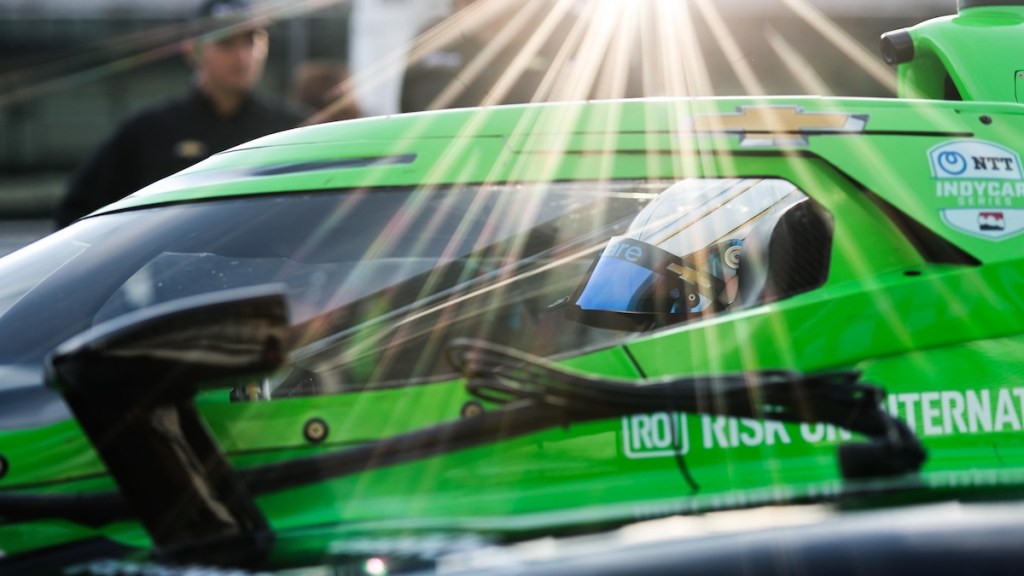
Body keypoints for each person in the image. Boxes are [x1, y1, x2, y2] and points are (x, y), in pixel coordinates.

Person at [55, 0, 303, 228]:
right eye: (225, 42)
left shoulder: (294, 128)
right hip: (180, 277)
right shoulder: (151, 132)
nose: (241, 56)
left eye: (251, 41)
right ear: (192, 51)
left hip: (275, 277)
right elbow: (76, 215)